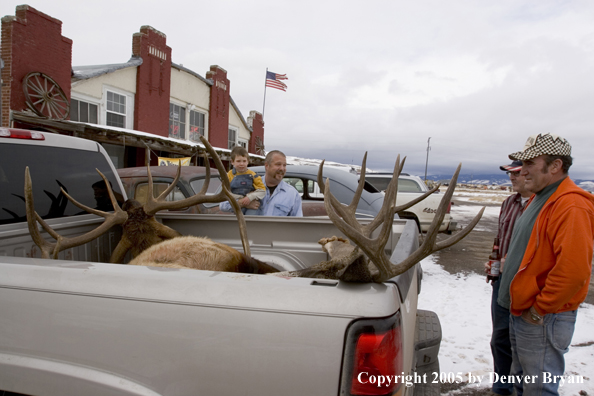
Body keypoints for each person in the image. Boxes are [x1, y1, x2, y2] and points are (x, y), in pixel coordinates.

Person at [498, 133, 594, 396]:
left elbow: (573, 271)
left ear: (555, 166)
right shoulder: (542, 198)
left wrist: (540, 309)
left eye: (530, 163)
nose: (523, 170)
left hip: (542, 317)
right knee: (521, 383)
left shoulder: (571, 205)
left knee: (538, 389)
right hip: (524, 312)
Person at [485, 159, 531, 396]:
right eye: (510, 174)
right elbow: (499, 240)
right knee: (500, 337)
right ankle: (502, 386)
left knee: (524, 341)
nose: (512, 178)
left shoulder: (541, 205)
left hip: (526, 282)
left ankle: (522, 388)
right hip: (502, 282)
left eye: (517, 173)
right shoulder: (509, 203)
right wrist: (494, 262)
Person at [220, 150, 303, 217]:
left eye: (284, 165)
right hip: (248, 236)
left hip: (277, 237)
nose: (282, 168)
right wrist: (243, 203)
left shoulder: (293, 194)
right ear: (267, 166)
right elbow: (223, 205)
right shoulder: (249, 182)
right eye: (278, 164)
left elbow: (297, 225)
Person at [227, 146, 266, 213]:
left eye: (244, 161)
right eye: (238, 161)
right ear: (232, 162)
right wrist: (240, 199)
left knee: (251, 218)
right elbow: (226, 192)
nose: (241, 164)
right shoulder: (229, 175)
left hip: (251, 205)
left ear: (248, 161)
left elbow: (262, 191)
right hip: (237, 204)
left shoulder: (253, 175)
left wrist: (250, 197)